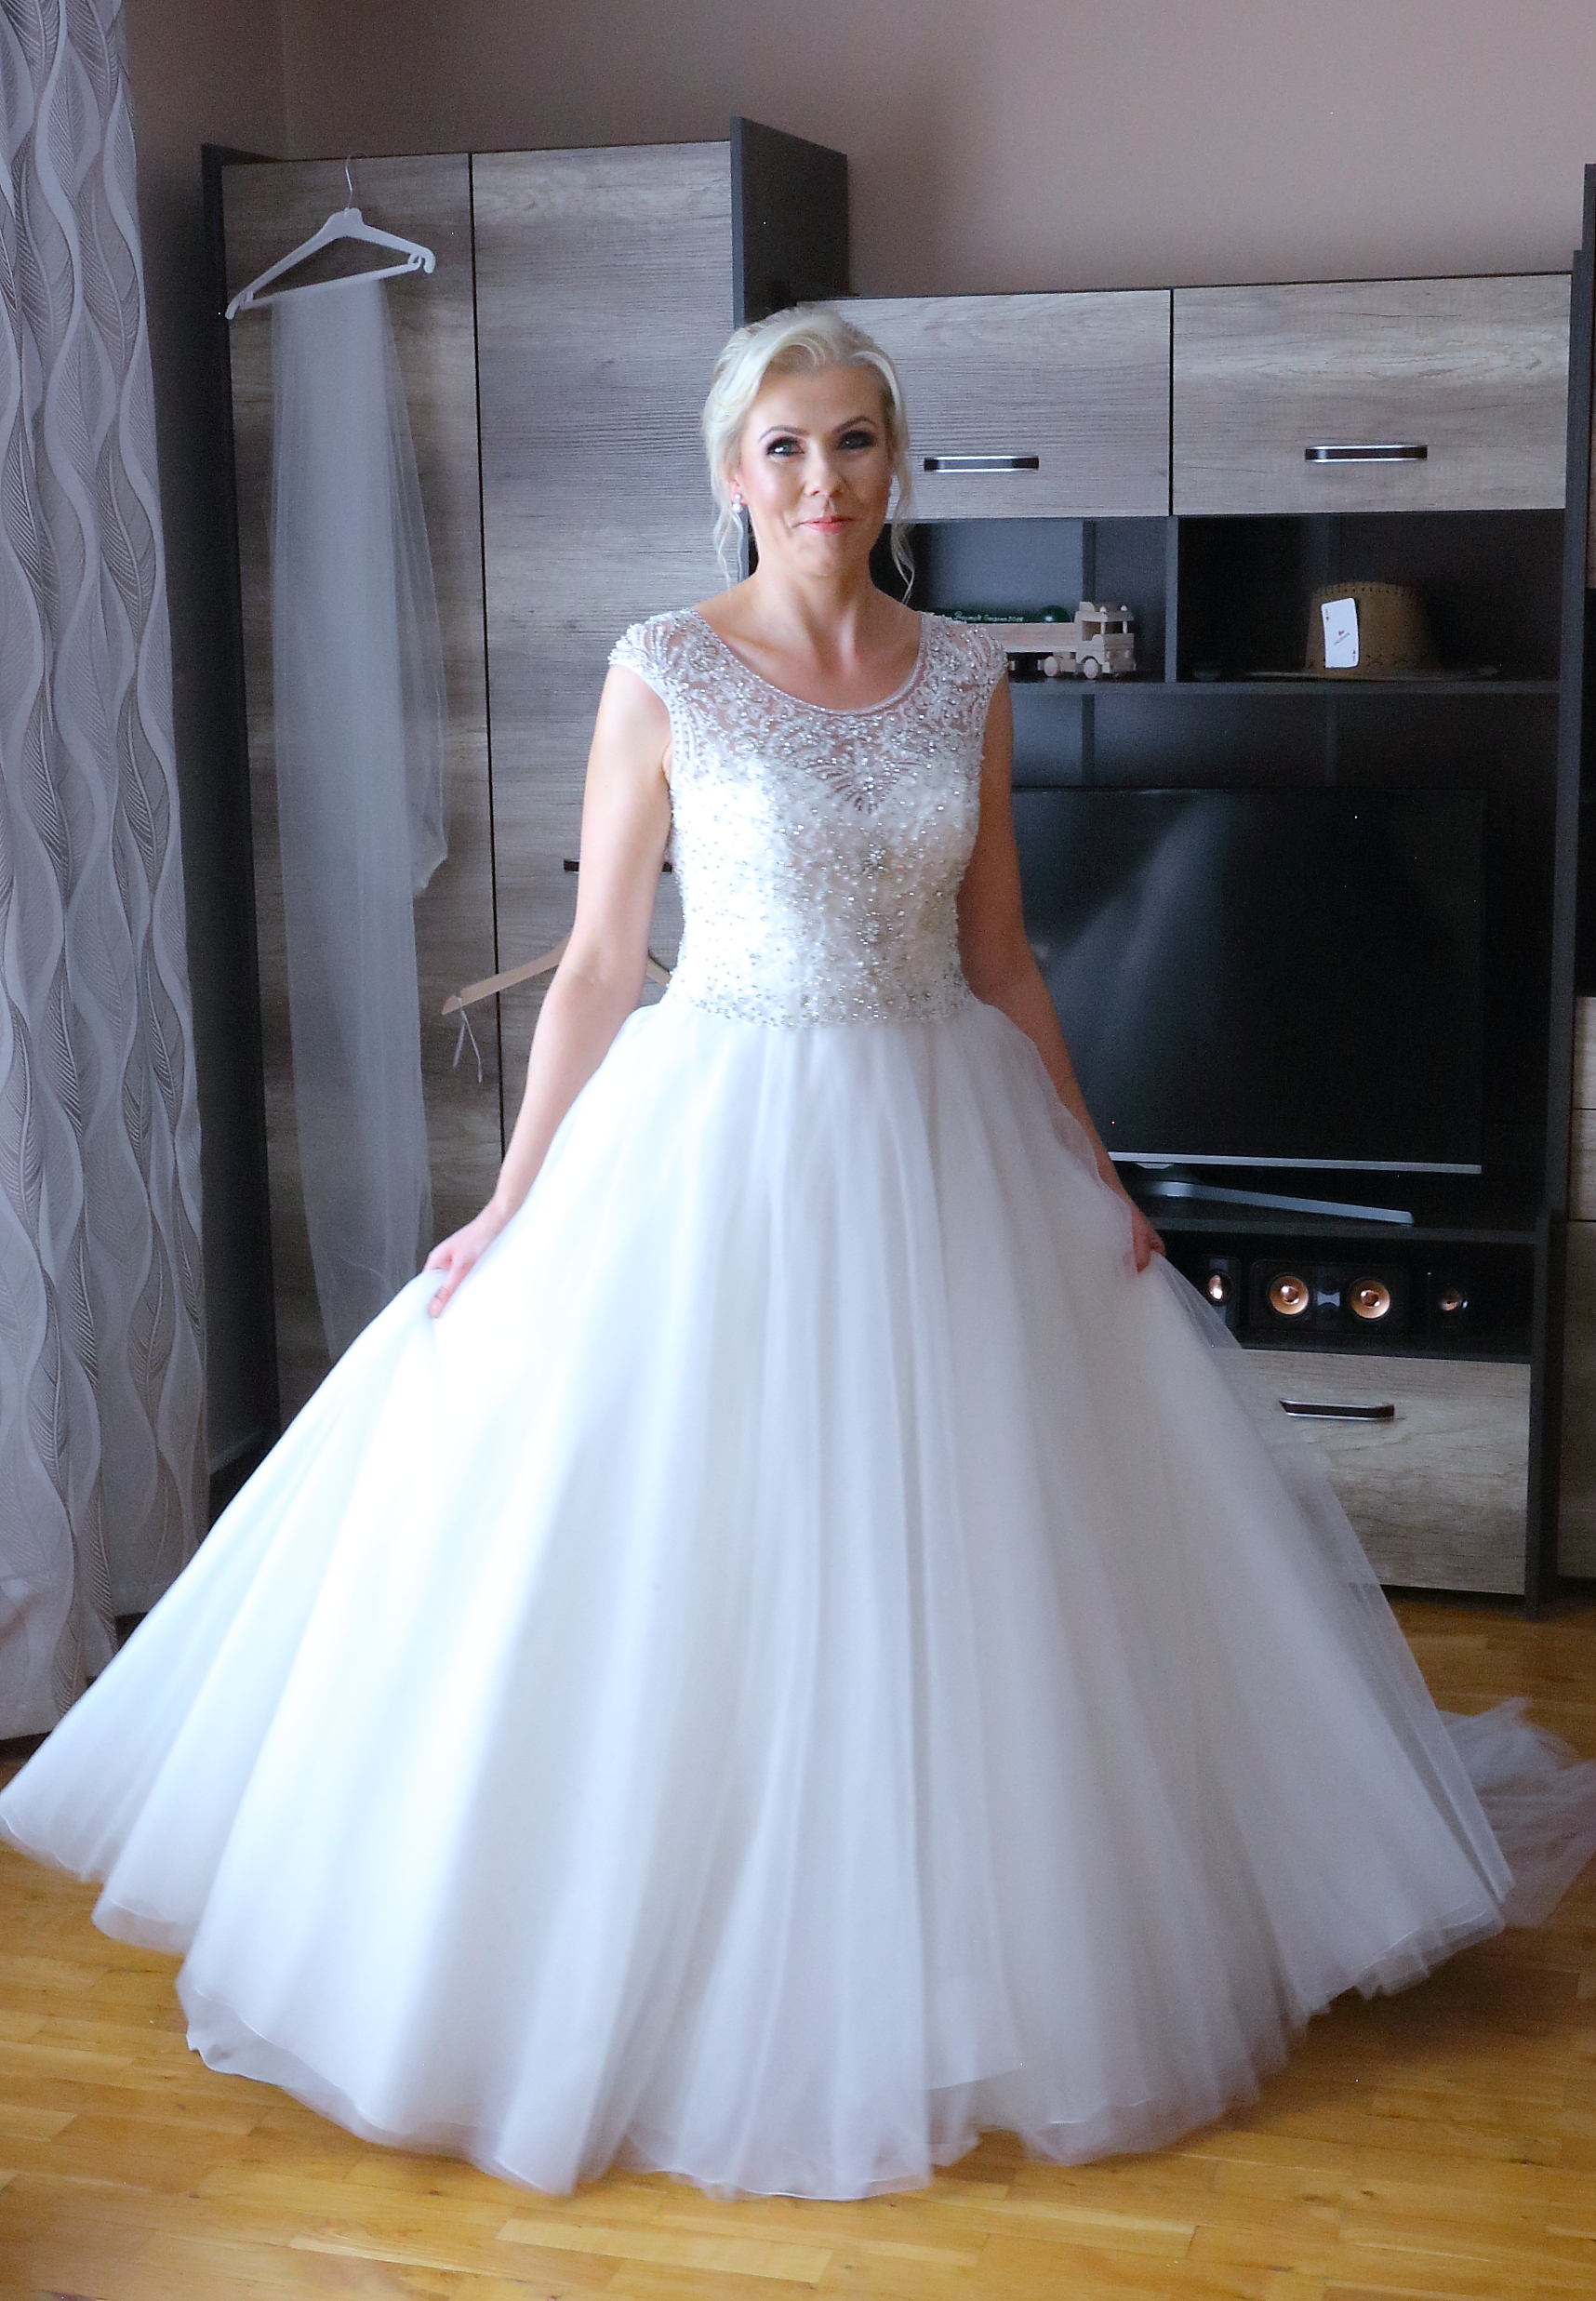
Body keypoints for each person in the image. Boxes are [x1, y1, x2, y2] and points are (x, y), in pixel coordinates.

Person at [3, 307, 1595, 2204]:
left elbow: (1002, 956)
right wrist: (515, 1199)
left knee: (973, 1554)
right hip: (719, 1131)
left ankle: (973, 1935)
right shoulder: (665, 665)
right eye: (784, 445)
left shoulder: (968, 674)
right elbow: (602, 962)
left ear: (894, 464)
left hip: (941, 1137)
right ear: (729, 472)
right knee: (689, 1540)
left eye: (852, 441)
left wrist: (1091, 1163)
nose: (821, 478)